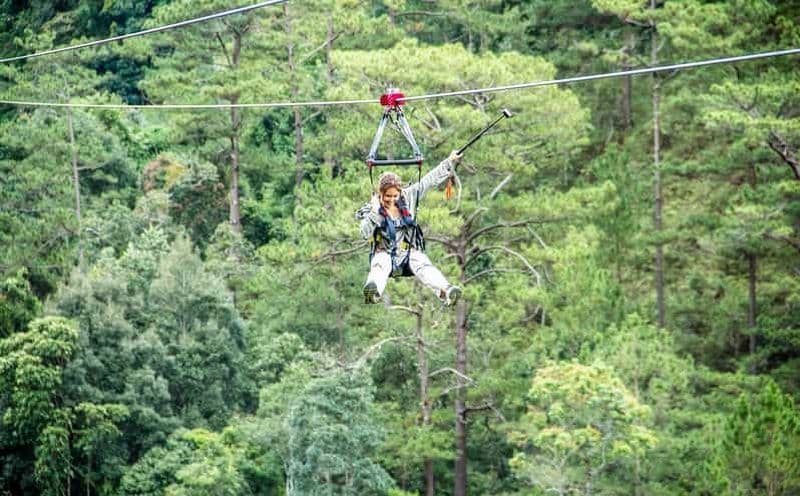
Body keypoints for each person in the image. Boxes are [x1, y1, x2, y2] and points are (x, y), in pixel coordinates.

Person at [356, 150, 463, 306]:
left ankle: (446, 291)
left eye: (395, 196)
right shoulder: (374, 208)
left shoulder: (409, 197)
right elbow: (364, 233)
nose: (391, 200)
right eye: (387, 196)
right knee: (380, 265)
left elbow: (429, 180)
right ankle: (373, 292)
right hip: (384, 252)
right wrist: (374, 212)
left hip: (408, 252)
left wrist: (449, 161)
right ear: (381, 194)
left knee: (423, 264)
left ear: (400, 193)